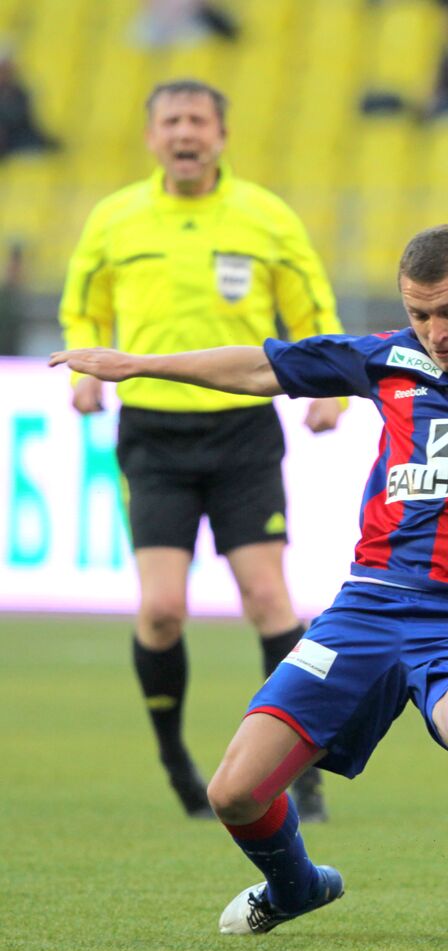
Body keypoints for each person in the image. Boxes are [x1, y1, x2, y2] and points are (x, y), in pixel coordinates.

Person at [50, 166, 448, 936]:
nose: (436, 332)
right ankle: (296, 887)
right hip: (368, 606)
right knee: (236, 794)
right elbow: (260, 364)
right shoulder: (386, 358)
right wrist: (138, 364)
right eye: (420, 315)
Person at [58, 80, 345, 822]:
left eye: (198, 121)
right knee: (160, 611)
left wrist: (332, 386)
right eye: (171, 122)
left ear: (221, 135)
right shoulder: (115, 217)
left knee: (267, 598)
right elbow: (82, 301)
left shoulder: (264, 216)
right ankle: (174, 757)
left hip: (243, 427)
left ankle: (297, 768)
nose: (185, 133)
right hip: (152, 431)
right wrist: (85, 372)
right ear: (152, 136)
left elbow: (311, 306)